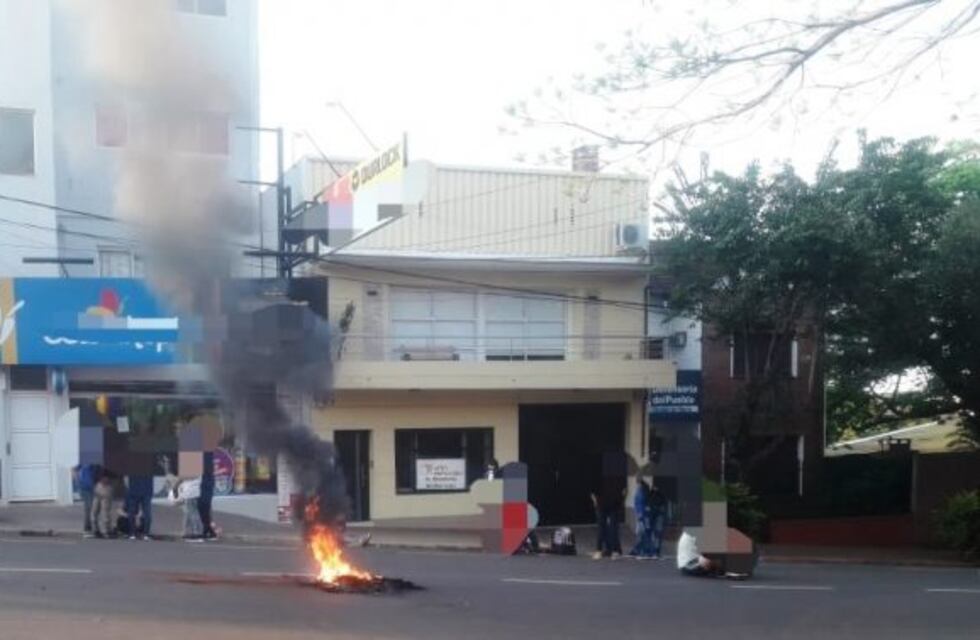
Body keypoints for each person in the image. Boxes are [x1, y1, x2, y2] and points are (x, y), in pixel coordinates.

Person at [590, 451, 626, 560]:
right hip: (608, 503)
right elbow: (625, 490)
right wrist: (622, 501)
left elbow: (624, 489)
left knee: (607, 528)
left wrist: (595, 501)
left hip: (611, 503)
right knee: (608, 528)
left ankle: (607, 550)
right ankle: (608, 550)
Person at [628, 477, 654, 558]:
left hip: (642, 515)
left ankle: (640, 550)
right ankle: (643, 550)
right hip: (644, 514)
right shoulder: (645, 489)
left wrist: (639, 514)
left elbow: (639, 503)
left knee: (642, 533)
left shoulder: (640, 490)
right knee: (644, 533)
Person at [125, 474, 154, 541]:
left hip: (133, 488)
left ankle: (132, 533)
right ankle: (146, 534)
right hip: (147, 489)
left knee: (132, 512)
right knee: (147, 512)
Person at [73, 463, 99, 537]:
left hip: (94, 487)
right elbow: (74, 470)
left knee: (94, 508)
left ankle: (94, 528)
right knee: (89, 508)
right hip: (85, 488)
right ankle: (87, 529)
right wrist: (78, 484)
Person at [198, 450, 217, 540]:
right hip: (207, 476)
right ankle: (207, 528)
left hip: (201, 479)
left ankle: (204, 528)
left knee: (199, 503)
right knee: (205, 502)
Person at [91, 469, 115, 539]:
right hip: (99, 486)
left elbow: (114, 475)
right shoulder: (96, 465)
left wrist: (107, 479)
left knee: (104, 511)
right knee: (95, 511)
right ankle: (97, 530)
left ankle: (105, 531)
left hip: (105, 486)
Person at [648, 482, 667, 559]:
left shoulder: (660, 494)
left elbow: (664, 503)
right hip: (654, 515)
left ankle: (656, 551)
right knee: (654, 534)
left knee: (657, 534)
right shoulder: (651, 494)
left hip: (658, 515)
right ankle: (654, 551)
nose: (655, 488)